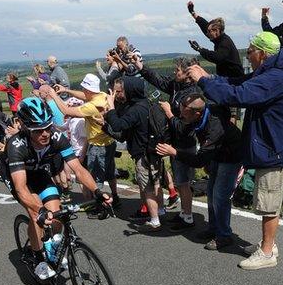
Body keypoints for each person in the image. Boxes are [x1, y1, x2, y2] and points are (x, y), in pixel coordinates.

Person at [187, 31, 283, 270]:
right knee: (268, 200)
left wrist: (203, 82)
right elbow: (238, 82)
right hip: (276, 146)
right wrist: (211, 78)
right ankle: (267, 244)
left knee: (268, 202)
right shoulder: (272, 72)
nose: (248, 56)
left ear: (262, 54)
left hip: (276, 150)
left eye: (250, 51)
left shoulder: (274, 78)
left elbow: (238, 95)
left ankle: (267, 252)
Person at [2, 97, 112, 279]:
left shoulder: (56, 137)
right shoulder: (16, 145)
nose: (45, 133)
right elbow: (21, 189)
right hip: (18, 178)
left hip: (38, 173)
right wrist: (40, 211)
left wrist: (98, 192)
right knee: (37, 213)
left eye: (48, 126)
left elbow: (78, 168)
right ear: (26, 128)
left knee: (57, 214)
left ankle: (52, 245)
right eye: (38, 130)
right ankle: (38, 259)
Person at [156, 94, 243, 250]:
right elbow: (182, 128)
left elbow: (199, 161)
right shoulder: (198, 116)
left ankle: (224, 236)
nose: (181, 115)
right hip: (217, 154)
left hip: (231, 156)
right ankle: (213, 228)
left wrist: (174, 152)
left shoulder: (214, 127)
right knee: (210, 191)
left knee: (220, 196)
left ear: (197, 113)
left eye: (184, 113)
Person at [134, 56, 200, 227]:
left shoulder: (192, 94)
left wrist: (169, 112)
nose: (174, 72)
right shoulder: (177, 86)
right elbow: (159, 80)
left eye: (177, 70)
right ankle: (185, 213)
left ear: (187, 73)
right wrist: (141, 67)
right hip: (175, 142)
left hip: (185, 143)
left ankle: (188, 217)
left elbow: (186, 126)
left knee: (183, 182)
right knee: (180, 181)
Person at [41, 75, 121, 213]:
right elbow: (84, 96)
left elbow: (66, 110)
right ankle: (115, 197)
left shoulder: (91, 106)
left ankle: (101, 206)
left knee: (96, 177)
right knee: (110, 173)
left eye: (84, 88)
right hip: (109, 142)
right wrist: (66, 90)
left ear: (89, 90)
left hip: (97, 145)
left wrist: (54, 95)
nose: (82, 90)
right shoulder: (101, 96)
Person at [104, 77, 163, 229]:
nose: (117, 94)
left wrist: (110, 108)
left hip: (142, 154)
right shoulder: (145, 103)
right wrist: (105, 127)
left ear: (130, 90)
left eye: (120, 91)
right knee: (155, 184)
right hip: (152, 151)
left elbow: (118, 126)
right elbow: (124, 134)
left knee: (147, 187)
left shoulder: (135, 110)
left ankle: (155, 221)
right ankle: (160, 211)